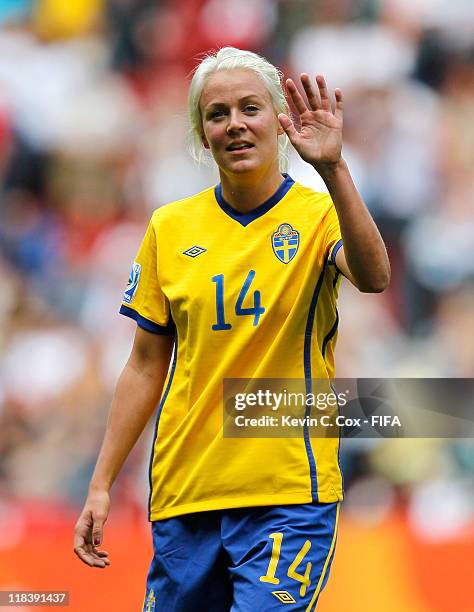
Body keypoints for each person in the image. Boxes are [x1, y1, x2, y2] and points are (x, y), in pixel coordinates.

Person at [74, 47, 390, 610]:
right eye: (218, 114)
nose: (235, 124)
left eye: (251, 108)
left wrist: (334, 168)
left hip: (287, 491)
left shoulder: (318, 215)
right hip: (184, 489)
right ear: (202, 132)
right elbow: (146, 364)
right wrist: (101, 482)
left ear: (280, 120)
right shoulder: (169, 229)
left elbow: (374, 276)